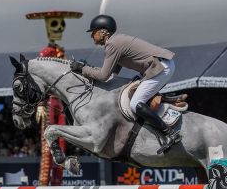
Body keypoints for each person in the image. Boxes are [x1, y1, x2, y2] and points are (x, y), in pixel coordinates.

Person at [70, 14, 180, 152]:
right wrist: (85, 68)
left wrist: (82, 69)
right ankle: (164, 104)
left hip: (160, 67)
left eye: (94, 31)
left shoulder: (112, 44)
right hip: (161, 65)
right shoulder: (115, 42)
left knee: (135, 104)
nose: (92, 35)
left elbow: (103, 76)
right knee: (134, 91)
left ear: (103, 32)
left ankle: (170, 134)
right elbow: (110, 74)